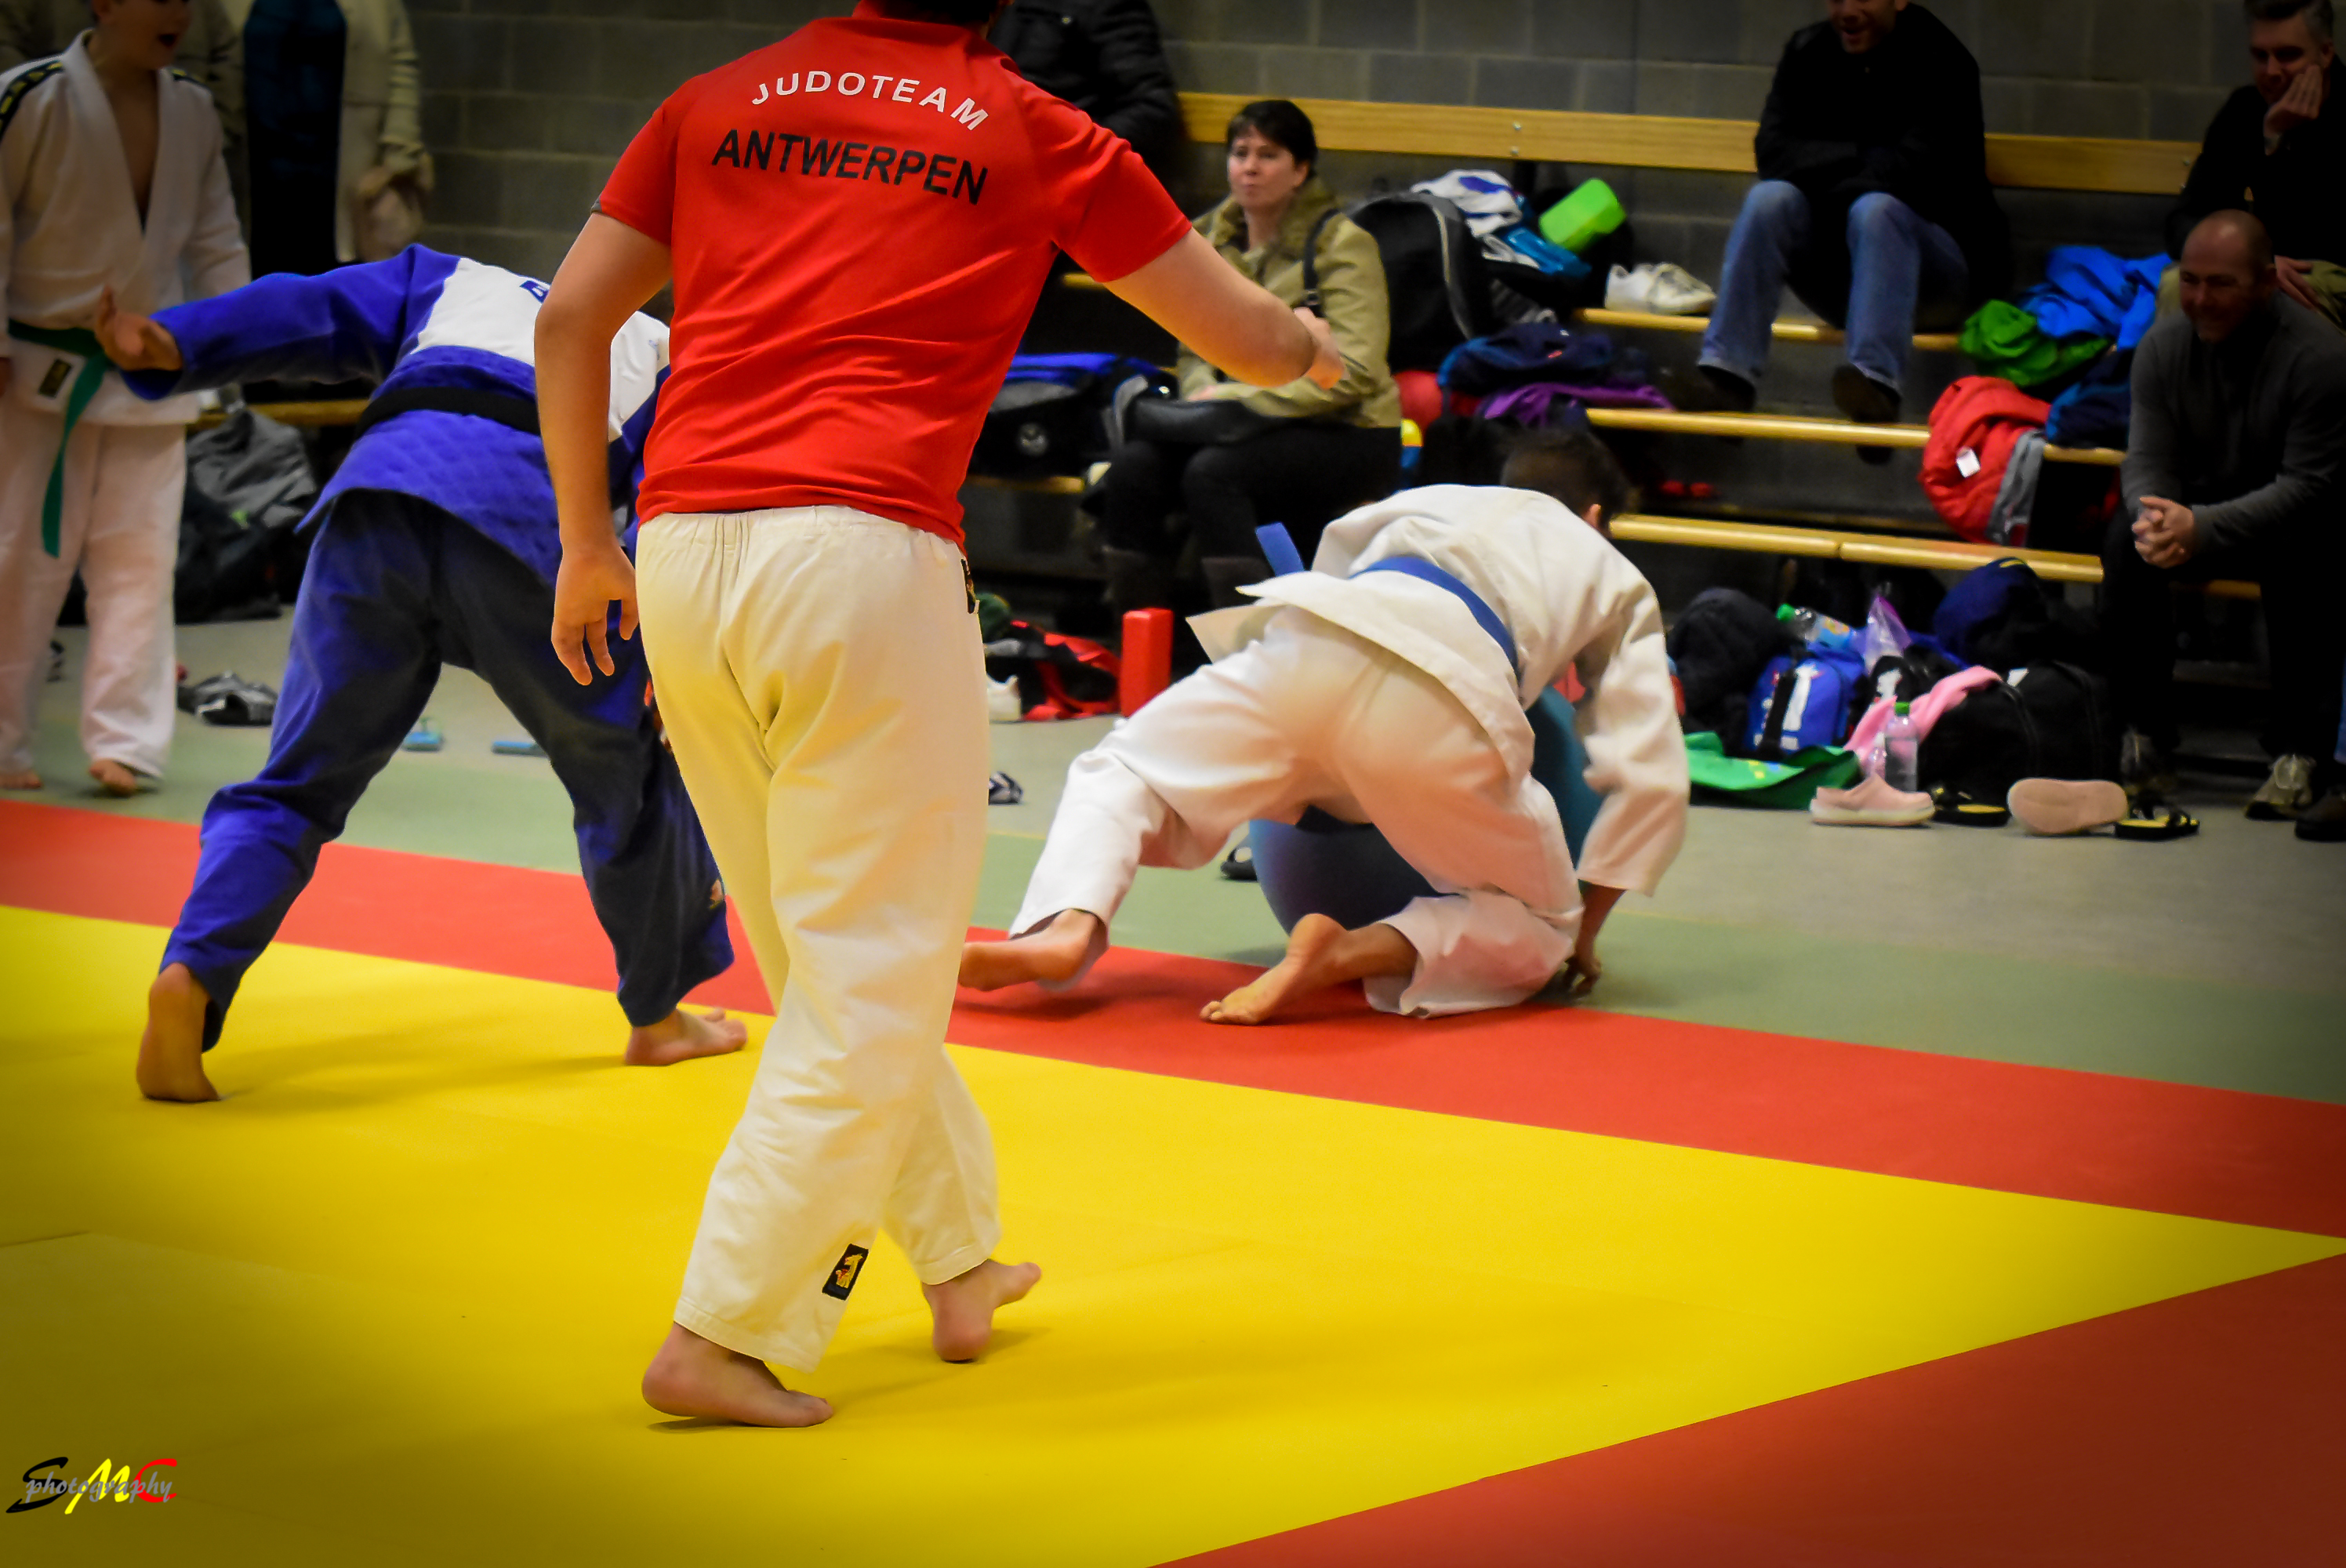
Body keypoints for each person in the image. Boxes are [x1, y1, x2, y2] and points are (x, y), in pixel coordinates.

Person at [532, 0, 1340, 1428]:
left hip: (683, 551)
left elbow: (570, 316)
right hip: (859, 558)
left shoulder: (717, 98)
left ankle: (959, 1265)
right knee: (869, 977)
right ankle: (727, 1329)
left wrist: (585, 542)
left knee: (826, 960)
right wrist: (1318, 352)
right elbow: (1251, 339)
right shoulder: (1036, 130)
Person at [94, 246, 746, 1102]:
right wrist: (664, 646)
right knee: (626, 772)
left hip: (381, 497)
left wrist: (173, 341)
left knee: (295, 784)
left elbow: (308, 309)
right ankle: (658, 1017)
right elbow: (675, 506)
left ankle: (191, 976)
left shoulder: (450, 280)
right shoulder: (667, 353)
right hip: (528, 524)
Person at [961, 430, 1688, 1025]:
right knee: (1543, 927)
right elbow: (1649, 772)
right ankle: (1350, 953)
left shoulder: (1430, 499)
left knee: (1122, 770)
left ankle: (1066, 924)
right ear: (1595, 516)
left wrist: (1302, 775)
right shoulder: (1609, 569)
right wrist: (1583, 930)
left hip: (1311, 645)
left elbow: (1331, 569)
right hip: (1447, 700)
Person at [1, 0, 249, 797]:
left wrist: (238, 343)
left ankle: (128, 742)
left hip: (152, 369)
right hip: (38, 368)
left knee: (140, 561)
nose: (178, 14)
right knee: (20, 559)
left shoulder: (194, 110)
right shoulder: (28, 98)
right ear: (105, 2)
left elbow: (216, 240)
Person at [1094, 97, 1402, 612]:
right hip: (1233, 422)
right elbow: (1192, 347)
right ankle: (1136, 640)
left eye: (1269, 155)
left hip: (1347, 429)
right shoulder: (1205, 238)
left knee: (1214, 472)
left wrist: (1236, 400)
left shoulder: (1343, 245)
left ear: (1301, 171)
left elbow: (1355, 374)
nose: (1250, 168)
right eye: (1240, 154)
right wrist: (1202, 402)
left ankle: (1246, 637)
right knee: (1133, 467)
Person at [1665, 0, 2008, 441]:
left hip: (1939, 278)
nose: (1847, 10)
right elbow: (1772, 155)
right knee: (1770, 200)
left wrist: (1823, 169)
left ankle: (1876, 389)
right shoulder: (1808, 51)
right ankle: (1727, 377)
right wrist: (1860, 158)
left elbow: (1916, 174)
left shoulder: (1943, 61)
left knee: (1877, 210)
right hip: (1842, 278)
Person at [2111, 210, 2346, 822]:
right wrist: (2153, 519)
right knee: (2125, 541)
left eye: (2221, 284)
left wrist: (2202, 527)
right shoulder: (2162, 346)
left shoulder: (2320, 357)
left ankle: (2300, 750)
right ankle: (2146, 735)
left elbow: (2308, 487)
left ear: (2267, 283)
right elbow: (2146, 458)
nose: (2201, 299)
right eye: (2190, 281)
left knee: (2311, 547)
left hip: (2285, 515)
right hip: (2195, 512)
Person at [2170, 0, 2346, 328]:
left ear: (2325, 53)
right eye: (2260, 56)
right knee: (2175, 289)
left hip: (2329, 270)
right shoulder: (2244, 110)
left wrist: (2282, 150)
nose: (2272, 72)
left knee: (2286, 304)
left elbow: (2322, 233)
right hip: (2260, 267)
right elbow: (2187, 218)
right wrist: (2271, 141)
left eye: (2288, 55)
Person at [221, 0, 427, 275]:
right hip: (255, 180)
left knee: (342, 287)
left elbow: (400, 64)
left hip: (345, 184)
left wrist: (397, 161)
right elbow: (213, 62)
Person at [990, 0, 1178, 182]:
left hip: (1061, 175)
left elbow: (1153, 110)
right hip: (994, 163)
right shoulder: (997, 9)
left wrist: (1064, 150)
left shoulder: (1105, 6)